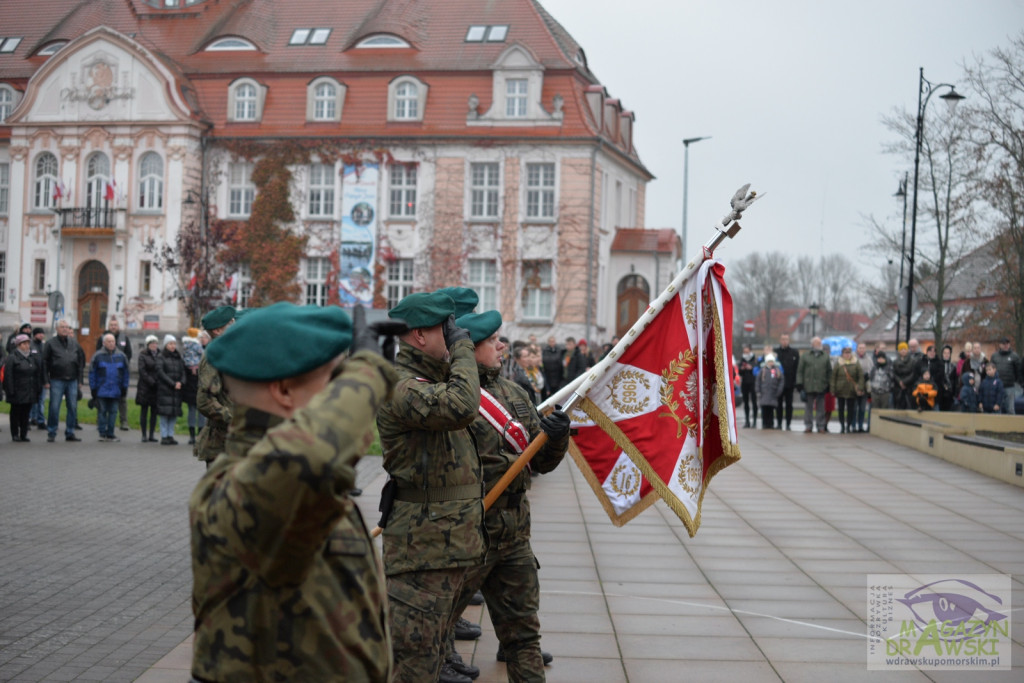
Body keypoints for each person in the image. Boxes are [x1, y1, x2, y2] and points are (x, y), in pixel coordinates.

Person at [189, 302, 397, 681]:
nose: (342, 392)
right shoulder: (236, 486)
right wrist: (369, 372)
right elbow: (312, 455)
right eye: (334, 379)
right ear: (284, 390)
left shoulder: (298, 478)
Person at [444, 310, 569, 681]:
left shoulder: (515, 394)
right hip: (467, 532)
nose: (502, 346)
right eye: (492, 341)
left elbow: (541, 463)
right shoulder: (451, 396)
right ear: (468, 349)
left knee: (524, 638)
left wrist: (556, 436)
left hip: (513, 534)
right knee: (435, 630)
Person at [375, 291, 484, 683]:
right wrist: (464, 349)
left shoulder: (433, 379)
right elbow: (461, 406)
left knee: (434, 660)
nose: (455, 335)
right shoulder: (401, 386)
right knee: (415, 668)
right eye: (447, 328)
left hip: (446, 545)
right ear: (420, 336)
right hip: (421, 552)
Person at [195, 306, 236, 465]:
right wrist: (233, 418)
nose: (235, 325)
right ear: (218, 331)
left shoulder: (227, 352)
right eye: (231, 322)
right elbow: (204, 401)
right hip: (221, 441)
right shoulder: (214, 357)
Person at [41, 320, 86, 443]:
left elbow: (80, 362)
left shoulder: (74, 343)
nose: (65, 329)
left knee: (72, 407)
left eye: (67, 327)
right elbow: (44, 363)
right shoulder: (50, 344)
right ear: (57, 329)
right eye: (62, 327)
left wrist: (80, 379)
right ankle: (52, 431)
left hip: (72, 380)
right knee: (54, 407)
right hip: (56, 379)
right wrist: (45, 380)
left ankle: (70, 432)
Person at [89, 333, 130, 443]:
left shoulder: (121, 356)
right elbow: (92, 373)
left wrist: (124, 387)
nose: (112, 344)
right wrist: (93, 389)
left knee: (113, 412)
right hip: (102, 389)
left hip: (116, 390)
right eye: (109, 342)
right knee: (102, 412)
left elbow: (126, 373)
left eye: (113, 341)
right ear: (104, 343)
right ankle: (102, 433)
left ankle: (110, 433)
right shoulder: (97, 356)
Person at [3, 334, 44, 442]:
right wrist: (10, 390)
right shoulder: (12, 357)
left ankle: (24, 434)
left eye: (28, 343)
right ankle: (15, 433)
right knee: (16, 413)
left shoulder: (31, 357)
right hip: (17, 390)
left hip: (29, 389)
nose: (27, 346)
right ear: (18, 345)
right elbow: (8, 375)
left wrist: (37, 387)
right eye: (24, 344)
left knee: (26, 413)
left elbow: (37, 373)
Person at [96, 316, 133, 431]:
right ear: (108, 326)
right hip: (105, 374)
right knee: (102, 399)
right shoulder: (102, 337)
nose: (113, 326)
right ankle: (101, 422)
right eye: (111, 325)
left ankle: (124, 422)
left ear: (118, 326)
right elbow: (97, 354)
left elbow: (129, 354)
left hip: (119, 374)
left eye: (115, 325)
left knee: (122, 399)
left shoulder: (124, 338)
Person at [796, 337, 831, 433]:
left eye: (819, 343)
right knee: (808, 408)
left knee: (821, 408)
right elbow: (800, 371)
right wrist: (799, 384)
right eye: (816, 342)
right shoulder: (805, 356)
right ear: (812, 344)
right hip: (808, 385)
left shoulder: (825, 356)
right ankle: (808, 426)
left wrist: (828, 384)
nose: (818, 344)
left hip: (821, 385)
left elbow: (829, 372)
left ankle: (820, 426)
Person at [156, 335, 185, 445]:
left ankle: (170, 435)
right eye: (170, 344)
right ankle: (164, 436)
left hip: (176, 391)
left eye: (174, 343)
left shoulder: (178, 357)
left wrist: (181, 382)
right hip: (165, 390)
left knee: (173, 414)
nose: (173, 346)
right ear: (166, 345)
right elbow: (160, 372)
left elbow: (183, 372)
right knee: (164, 414)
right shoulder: (161, 357)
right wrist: (172, 383)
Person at [831, 346, 865, 433]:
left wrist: (860, 387)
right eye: (845, 353)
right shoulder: (838, 363)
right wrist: (833, 389)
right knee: (841, 409)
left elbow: (861, 376)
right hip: (840, 389)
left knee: (851, 409)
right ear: (842, 354)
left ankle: (849, 425)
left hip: (851, 390)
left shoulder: (856, 362)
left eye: (849, 353)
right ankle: (842, 425)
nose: (847, 355)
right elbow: (833, 377)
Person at [135, 335, 160, 443]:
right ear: (148, 345)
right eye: (152, 343)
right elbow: (142, 371)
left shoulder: (160, 355)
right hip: (145, 387)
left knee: (154, 413)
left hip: (156, 387)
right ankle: (144, 434)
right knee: (144, 412)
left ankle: (152, 434)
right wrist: (151, 381)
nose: (154, 345)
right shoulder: (143, 355)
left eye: (155, 343)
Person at [181, 328, 204, 444]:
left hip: (191, 385)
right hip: (197, 385)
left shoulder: (185, 347)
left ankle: (192, 437)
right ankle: (198, 436)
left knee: (192, 411)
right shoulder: (197, 347)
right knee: (199, 411)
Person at [773, 334, 800, 430]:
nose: (784, 341)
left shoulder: (794, 353)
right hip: (778, 383)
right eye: (783, 339)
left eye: (786, 339)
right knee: (778, 404)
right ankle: (779, 423)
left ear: (789, 341)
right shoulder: (775, 352)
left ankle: (788, 424)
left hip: (790, 383)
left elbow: (797, 368)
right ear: (780, 340)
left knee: (789, 405)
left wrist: (796, 382)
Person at [989, 337, 1021, 415]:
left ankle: (1013, 426)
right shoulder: (994, 356)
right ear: (1000, 345)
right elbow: (991, 369)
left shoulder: (1014, 356)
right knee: (997, 408)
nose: (1006, 345)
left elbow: (1018, 371)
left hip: (1009, 386)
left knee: (1010, 408)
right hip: (997, 387)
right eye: (1004, 344)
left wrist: (1015, 381)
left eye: (1007, 343)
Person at [756, 354, 785, 430]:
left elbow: (781, 380)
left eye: (772, 361)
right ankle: (765, 423)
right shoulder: (763, 370)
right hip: (764, 393)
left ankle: (770, 424)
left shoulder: (777, 370)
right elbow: (758, 381)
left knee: (771, 411)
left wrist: (779, 390)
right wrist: (758, 390)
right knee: (764, 410)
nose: (771, 363)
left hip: (773, 393)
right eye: (769, 361)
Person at [29, 327, 47, 429]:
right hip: (33, 377)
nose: (41, 335)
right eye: (39, 333)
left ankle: (41, 420)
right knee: (32, 400)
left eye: (42, 333)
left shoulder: (44, 346)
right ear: (35, 335)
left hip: (42, 377)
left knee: (41, 401)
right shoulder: (31, 345)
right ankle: (31, 418)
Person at [892, 342, 918, 409]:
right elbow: (894, 373)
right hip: (898, 388)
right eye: (901, 349)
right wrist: (899, 382)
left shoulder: (913, 361)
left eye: (904, 349)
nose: (903, 351)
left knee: (909, 405)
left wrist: (904, 382)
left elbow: (914, 373)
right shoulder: (895, 362)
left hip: (909, 387)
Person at [854, 345, 874, 432]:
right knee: (854, 408)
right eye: (860, 348)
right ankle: (853, 425)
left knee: (862, 409)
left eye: (863, 348)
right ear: (857, 349)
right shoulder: (853, 358)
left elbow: (872, 370)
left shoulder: (869, 359)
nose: (861, 350)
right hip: (855, 386)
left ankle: (860, 426)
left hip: (865, 387)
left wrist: (867, 375)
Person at [738, 344, 757, 428]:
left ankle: (755, 421)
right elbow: (739, 372)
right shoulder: (742, 359)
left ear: (750, 350)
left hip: (753, 382)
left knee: (754, 402)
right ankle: (747, 421)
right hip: (745, 383)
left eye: (747, 351)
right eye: (744, 351)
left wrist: (751, 368)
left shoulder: (754, 359)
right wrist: (742, 369)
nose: (745, 353)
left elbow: (757, 370)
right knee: (746, 403)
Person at [939, 345, 959, 412]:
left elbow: (955, 380)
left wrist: (955, 393)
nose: (946, 355)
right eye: (945, 353)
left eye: (948, 353)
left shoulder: (953, 366)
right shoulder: (939, 365)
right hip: (940, 392)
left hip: (950, 393)